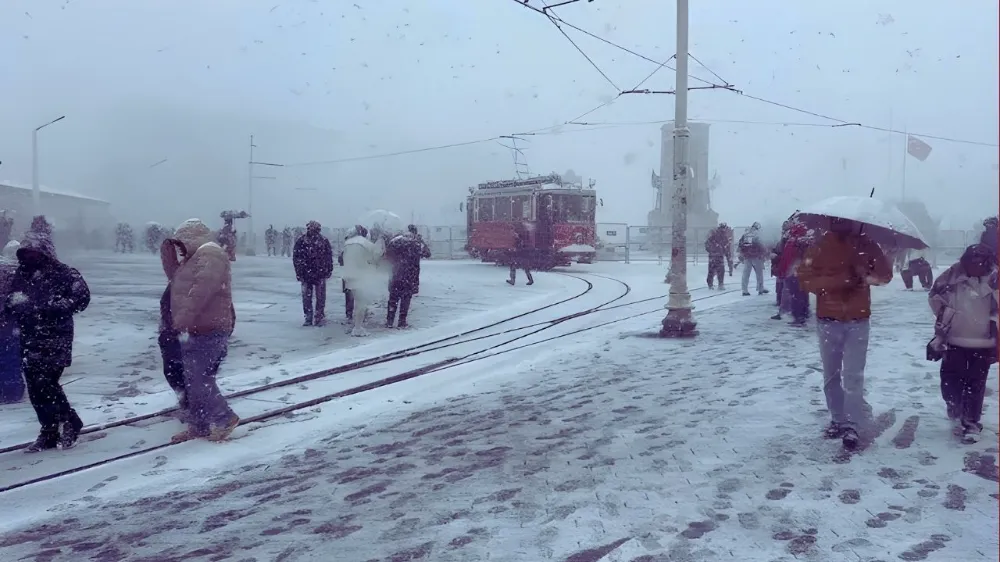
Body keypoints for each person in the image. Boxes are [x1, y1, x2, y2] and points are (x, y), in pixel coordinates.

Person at [797, 217, 892, 449]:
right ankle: (837, 419)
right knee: (831, 374)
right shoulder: (819, 246)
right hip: (828, 319)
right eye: (835, 221)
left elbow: (885, 275)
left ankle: (852, 425)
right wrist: (839, 280)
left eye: (844, 221)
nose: (839, 225)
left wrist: (865, 272)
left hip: (858, 318)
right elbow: (806, 280)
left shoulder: (867, 245)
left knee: (853, 375)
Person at [7, 216, 91, 452]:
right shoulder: (22, 275)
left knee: (46, 382)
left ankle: (69, 419)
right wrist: (15, 305)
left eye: (34, 253)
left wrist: (53, 307)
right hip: (29, 335)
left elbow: (81, 298)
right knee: (35, 386)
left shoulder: (64, 273)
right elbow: (10, 298)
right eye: (26, 253)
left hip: (56, 335)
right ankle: (49, 428)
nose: (30, 257)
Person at [166, 219, 239, 442]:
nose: (179, 249)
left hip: (211, 326)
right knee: (192, 378)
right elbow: (176, 278)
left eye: (181, 243)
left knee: (199, 378)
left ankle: (224, 417)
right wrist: (167, 253)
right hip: (199, 326)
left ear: (190, 238)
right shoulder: (197, 256)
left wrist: (182, 319)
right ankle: (199, 425)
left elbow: (200, 292)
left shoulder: (210, 255)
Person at [927, 243, 998, 444]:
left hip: (983, 341)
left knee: (976, 384)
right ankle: (955, 408)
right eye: (972, 262)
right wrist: (947, 315)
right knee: (950, 382)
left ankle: (971, 422)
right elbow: (934, 297)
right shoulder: (952, 276)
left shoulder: (996, 278)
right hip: (954, 338)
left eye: (981, 262)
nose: (976, 266)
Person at [293, 221, 334, 327]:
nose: (314, 231)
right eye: (312, 229)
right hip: (306, 273)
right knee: (307, 297)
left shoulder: (323, 241)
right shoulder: (302, 241)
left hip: (319, 272)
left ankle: (318, 316)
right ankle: (309, 317)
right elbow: (296, 257)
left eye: (316, 229)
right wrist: (299, 272)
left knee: (320, 297)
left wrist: (329, 269)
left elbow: (328, 256)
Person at [385, 230, 428, 328]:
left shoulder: (394, 243)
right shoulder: (415, 244)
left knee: (393, 299)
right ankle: (402, 321)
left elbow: (387, 257)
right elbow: (427, 253)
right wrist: (422, 241)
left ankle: (389, 321)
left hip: (395, 275)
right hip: (409, 276)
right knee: (405, 299)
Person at [772, 222, 811, 325]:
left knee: (795, 295)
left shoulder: (792, 241)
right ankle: (804, 313)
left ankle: (798, 317)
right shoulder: (806, 241)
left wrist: (782, 270)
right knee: (802, 294)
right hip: (803, 272)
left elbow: (786, 258)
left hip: (792, 271)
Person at [737, 222, 769, 296]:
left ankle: (744, 290)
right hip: (757, 257)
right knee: (759, 274)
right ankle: (760, 289)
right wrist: (764, 253)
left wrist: (743, 253)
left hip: (747, 257)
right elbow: (762, 245)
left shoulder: (745, 234)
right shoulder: (758, 235)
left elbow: (740, 245)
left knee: (746, 274)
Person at [704, 223, 734, 290]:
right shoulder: (723, 237)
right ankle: (719, 284)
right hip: (718, 256)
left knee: (712, 271)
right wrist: (728, 258)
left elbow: (707, 245)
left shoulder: (713, 236)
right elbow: (727, 249)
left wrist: (711, 251)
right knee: (720, 271)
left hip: (713, 256)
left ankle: (711, 284)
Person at [407, 224, 430, 295]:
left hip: (410, 259)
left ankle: (411, 286)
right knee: (415, 273)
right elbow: (424, 247)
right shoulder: (418, 238)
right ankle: (414, 287)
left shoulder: (409, 238)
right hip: (415, 259)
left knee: (410, 273)